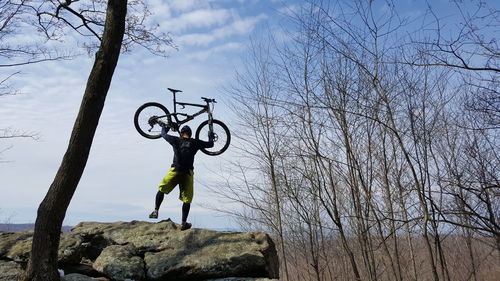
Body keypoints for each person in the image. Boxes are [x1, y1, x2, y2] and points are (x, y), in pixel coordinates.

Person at [149, 123, 214, 230]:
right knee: (187, 199)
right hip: (187, 173)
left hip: (175, 170)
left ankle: (156, 210)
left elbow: (163, 134)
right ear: (190, 134)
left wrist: (165, 128)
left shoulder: (176, 140)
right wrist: (210, 136)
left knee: (162, 189)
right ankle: (183, 223)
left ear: (181, 134)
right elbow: (210, 144)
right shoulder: (195, 142)